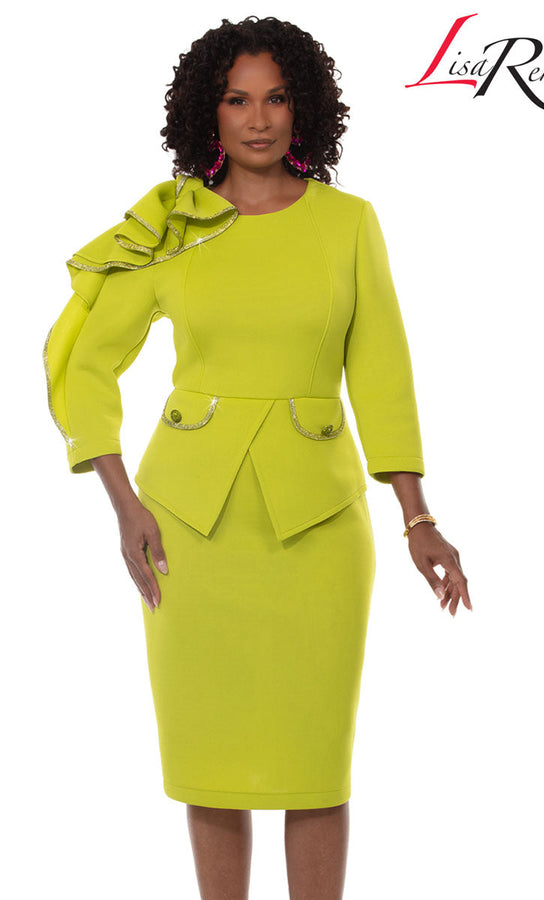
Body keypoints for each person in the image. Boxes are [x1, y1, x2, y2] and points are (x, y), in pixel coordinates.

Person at [43, 14, 472, 900]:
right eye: (237, 100)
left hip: (320, 528)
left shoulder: (350, 223)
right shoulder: (173, 226)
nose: (259, 119)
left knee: (316, 765)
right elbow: (86, 363)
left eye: (276, 98)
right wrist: (123, 504)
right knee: (212, 762)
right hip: (187, 529)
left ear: (302, 106)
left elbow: (382, 373)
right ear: (208, 111)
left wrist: (418, 518)